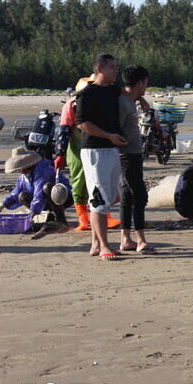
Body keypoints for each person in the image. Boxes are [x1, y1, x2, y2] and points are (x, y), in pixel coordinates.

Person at [75, 54, 126, 260]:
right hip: (95, 150)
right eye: (112, 67)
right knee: (99, 199)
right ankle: (104, 245)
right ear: (100, 69)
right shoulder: (86, 93)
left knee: (112, 196)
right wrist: (108, 135)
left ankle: (96, 244)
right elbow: (82, 123)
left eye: (116, 67)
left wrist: (141, 99)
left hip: (112, 148)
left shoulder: (113, 90)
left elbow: (127, 93)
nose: (116, 71)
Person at [55, 75, 120, 231]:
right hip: (76, 149)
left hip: (98, 147)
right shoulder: (70, 106)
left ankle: (105, 216)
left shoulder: (101, 102)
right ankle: (83, 219)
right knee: (79, 182)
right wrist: (60, 154)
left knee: (101, 181)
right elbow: (64, 132)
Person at [118, 65, 154, 254]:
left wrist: (140, 98)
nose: (146, 86)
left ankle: (125, 239)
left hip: (131, 153)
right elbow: (115, 127)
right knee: (140, 195)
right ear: (140, 82)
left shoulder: (129, 99)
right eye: (146, 83)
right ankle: (141, 240)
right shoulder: (123, 103)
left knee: (128, 195)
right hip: (127, 155)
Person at [0, 147, 72, 226]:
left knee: (47, 187)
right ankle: (49, 216)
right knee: (22, 195)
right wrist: (2, 205)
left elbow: (39, 193)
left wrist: (33, 210)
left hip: (63, 197)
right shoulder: (23, 177)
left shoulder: (43, 171)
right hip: (47, 201)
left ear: (25, 166)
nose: (19, 171)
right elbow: (16, 193)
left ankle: (61, 219)